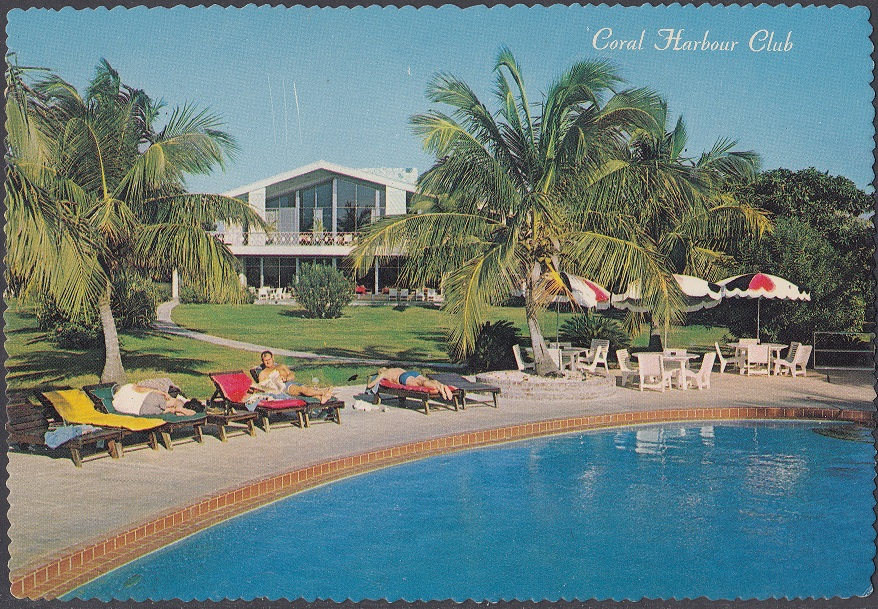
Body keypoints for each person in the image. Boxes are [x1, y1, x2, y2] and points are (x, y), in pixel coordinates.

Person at [256, 351, 333, 404]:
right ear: (263, 361)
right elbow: (261, 387)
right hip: (285, 387)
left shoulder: (281, 366)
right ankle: (324, 392)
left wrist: (287, 378)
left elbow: (292, 374)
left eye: (269, 359)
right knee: (303, 390)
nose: (268, 362)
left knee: (306, 390)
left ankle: (321, 398)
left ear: (273, 358)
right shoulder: (263, 373)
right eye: (265, 360)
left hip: (291, 382)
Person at [366, 367, 455, 401]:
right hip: (411, 372)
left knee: (421, 383)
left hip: (403, 377)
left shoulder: (384, 374)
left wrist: (370, 380)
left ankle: (441, 388)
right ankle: (440, 385)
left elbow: (370, 385)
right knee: (425, 380)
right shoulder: (396, 368)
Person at [112, 383, 196, 416]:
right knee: (175, 401)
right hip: (148, 398)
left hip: (142, 410)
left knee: (167, 409)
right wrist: (161, 392)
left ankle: (173, 410)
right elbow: (142, 389)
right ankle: (179, 408)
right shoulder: (126, 387)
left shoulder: (115, 403)